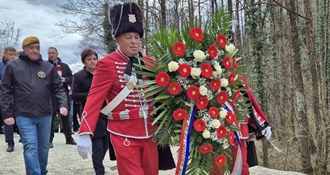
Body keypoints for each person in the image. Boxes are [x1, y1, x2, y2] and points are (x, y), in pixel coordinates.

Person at [77, 2, 159, 175]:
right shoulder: (106, 64)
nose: (134, 42)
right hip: (123, 132)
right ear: (117, 38)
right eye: (129, 37)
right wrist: (85, 131)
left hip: (150, 131)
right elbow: (94, 98)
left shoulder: (150, 63)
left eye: (137, 37)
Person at [0, 36, 68, 175]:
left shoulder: (48, 67)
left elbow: (58, 88)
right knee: (30, 146)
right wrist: (7, 114)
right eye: (31, 48)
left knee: (43, 147)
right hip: (23, 114)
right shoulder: (13, 66)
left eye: (37, 47)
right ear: (24, 49)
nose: (35, 50)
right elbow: (5, 90)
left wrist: (63, 103)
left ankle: (42, 171)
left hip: (45, 114)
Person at [73, 48, 117, 175]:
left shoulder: (104, 73)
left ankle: (98, 162)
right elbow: (75, 95)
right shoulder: (78, 76)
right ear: (84, 62)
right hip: (91, 113)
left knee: (106, 142)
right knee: (97, 142)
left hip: (107, 111)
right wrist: (94, 96)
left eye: (94, 59)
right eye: (89, 59)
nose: (93, 62)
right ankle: (99, 171)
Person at [47, 47, 76, 147]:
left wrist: (65, 79)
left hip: (63, 94)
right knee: (51, 117)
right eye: (49, 53)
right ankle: (49, 139)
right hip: (50, 95)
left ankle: (68, 137)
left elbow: (72, 78)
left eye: (53, 53)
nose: (51, 55)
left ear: (57, 53)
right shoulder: (45, 65)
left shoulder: (64, 66)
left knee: (66, 117)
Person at [0, 46, 20, 152]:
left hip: (18, 96)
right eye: (10, 54)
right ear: (5, 54)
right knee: (7, 118)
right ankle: (10, 142)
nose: (12, 57)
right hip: (5, 96)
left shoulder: (19, 66)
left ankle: (24, 138)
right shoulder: (0, 66)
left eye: (14, 55)